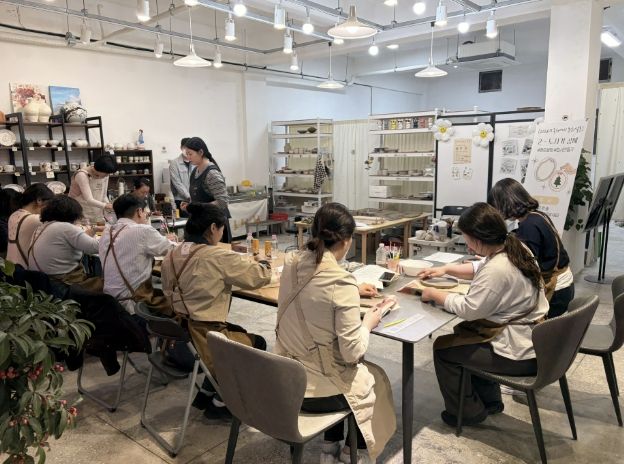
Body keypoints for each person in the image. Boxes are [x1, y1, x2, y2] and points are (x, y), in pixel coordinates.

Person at [275, 203, 396, 464]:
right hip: (313, 392)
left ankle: (329, 447)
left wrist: (352, 290)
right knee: (371, 378)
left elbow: (313, 292)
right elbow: (353, 353)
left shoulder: (291, 263)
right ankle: (353, 452)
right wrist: (368, 322)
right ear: (346, 241)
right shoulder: (341, 282)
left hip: (285, 379)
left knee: (331, 362)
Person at [418, 202, 548, 427]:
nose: (466, 243)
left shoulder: (498, 268)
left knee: (444, 349)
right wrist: (446, 269)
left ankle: (469, 413)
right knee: (467, 338)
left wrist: (434, 294)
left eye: (466, 238)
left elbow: (469, 310)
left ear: (477, 239)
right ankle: (490, 402)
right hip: (535, 342)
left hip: (518, 353)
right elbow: (480, 268)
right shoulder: (514, 246)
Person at [161, 202, 271, 421]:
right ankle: (220, 404)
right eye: (221, 229)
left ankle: (205, 393)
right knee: (257, 343)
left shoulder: (171, 254)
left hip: (178, 335)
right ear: (213, 228)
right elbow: (259, 277)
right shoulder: (216, 256)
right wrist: (264, 263)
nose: (222, 234)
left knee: (237, 331)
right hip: (204, 336)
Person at [488, 178, 574, 318]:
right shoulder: (537, 216)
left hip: (556, 293)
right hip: (565, 287)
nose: (497, 212)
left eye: (497, 207)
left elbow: (526, 265)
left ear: (506, 204)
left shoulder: (529, 226)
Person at [99, 193, 177, 315]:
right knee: (180, 304)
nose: (146, 216)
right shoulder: (142, 230)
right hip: (133, 305)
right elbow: (174, 250)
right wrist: (173, 241)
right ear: (139, 211)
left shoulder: (107, 232)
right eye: (146, 213)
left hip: (109, 303)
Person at [28, 195, 102, 292]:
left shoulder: (43, 227)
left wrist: (94, 230)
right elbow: (96, 247)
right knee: (108, 286)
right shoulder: (65, 227)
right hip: (62, 283)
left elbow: (77, 241)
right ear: (72, 213)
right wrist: (110, 234)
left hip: (42, 282)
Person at [181, 137, 232, 242]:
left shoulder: (211, 173)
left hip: (214, 228)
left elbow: (223, 201)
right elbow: (199, 199)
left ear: (200, 152)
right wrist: (190, 205)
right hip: (202, 225)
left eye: (190, 154)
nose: (188, 158)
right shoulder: (195, 171)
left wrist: (198, 207)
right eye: (187, 154)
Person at [6, 184, 54, 267]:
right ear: (39, 200)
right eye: (49, 204)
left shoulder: (14, 214)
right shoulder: (35, 219)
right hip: (26, 269)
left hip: (10, 267)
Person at [68, 155, 117, 223]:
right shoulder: (82, 175)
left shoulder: (105, 175)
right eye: (106, 173)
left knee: (100, 228)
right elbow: (89, 199)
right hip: (81, 211)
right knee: (84, 228)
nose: (107, 175)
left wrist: (108, 204)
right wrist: (105, 205)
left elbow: (104, 195)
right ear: (100, 169)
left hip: (97, 211)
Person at [169, 137, 194, 214]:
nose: (187, 150)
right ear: (181, 148)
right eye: (185, 148)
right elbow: (177, 183)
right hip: (181, 200)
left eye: (190, 148)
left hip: (195, 199)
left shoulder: (195, 162)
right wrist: (189, 197)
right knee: (184, 220)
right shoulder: (174, 163)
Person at [0, 188, 22, 258]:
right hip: (5, 256)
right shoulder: (2, 221)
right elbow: (9, 242)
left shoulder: (9, 216)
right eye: (15, 202)